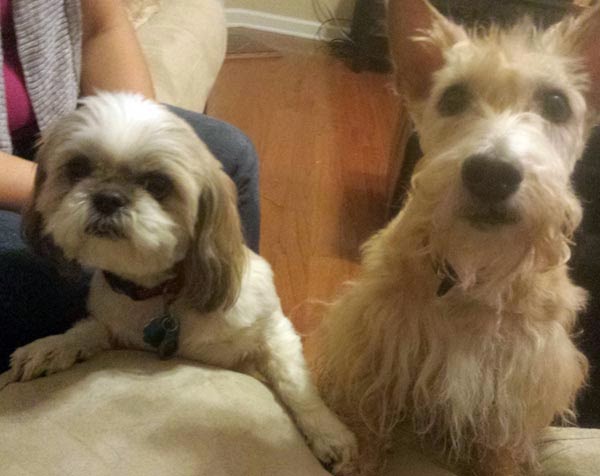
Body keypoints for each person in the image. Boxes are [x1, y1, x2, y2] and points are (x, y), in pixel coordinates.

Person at [0, 0, 260, 371]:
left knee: (232, 154)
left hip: (62, 127)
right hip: (38, 165)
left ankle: (224, 319)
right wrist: (58, 190)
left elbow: (103, 26)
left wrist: (142, 131)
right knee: (43, 273)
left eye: (154, 186)